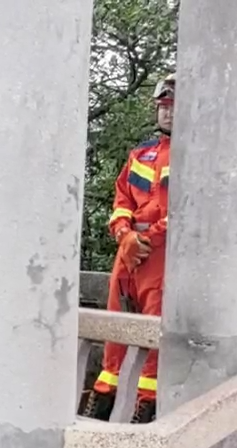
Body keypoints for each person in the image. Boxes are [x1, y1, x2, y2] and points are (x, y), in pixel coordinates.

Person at [79, 73, 174, 424]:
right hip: (129, 254)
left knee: (153, 331)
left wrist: (150, 239)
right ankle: (103, 399)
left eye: (174, 107)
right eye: (163, 106)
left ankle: (145, 408)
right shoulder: (140, 155)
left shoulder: (195, 157)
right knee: (115, 329)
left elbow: (187, 209)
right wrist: (124, 235)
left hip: (161, 257)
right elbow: (121, 201)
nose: (167, 113)